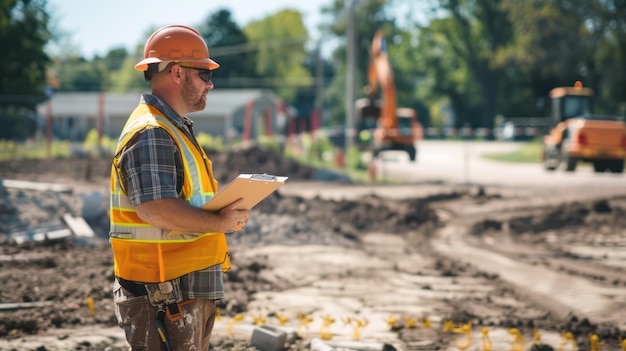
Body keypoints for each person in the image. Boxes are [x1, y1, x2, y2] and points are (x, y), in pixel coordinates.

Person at [109, 24, 250, 351]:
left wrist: (225, 214)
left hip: (178, 290)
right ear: (176, 73)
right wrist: (219, 223)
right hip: (164, 293)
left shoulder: (171, 129)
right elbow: (155, 208)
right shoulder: (153, 131)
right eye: (203, 73)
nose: (210, 83)